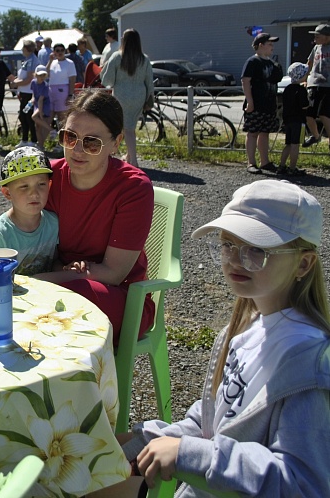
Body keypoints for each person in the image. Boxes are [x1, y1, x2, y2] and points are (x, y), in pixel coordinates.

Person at [92, 179, 330, 498]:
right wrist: (145, 439)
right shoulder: (243, 327)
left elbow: (302, 484)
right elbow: (211, 422)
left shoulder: (307, 362)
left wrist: (187, 455)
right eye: (228, 244)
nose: (234, 259)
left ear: (303, 263)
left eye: (256, 249)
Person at [34, 89, 155, 344]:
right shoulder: (47, 178)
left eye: (91, 142)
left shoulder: (133, 188)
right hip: (59, 281)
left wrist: (34, 283)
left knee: (69, 297)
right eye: (69, 137)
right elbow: (24, 235)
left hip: (120, 296)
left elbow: (113, 273)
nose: (77, 149)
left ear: (116, 142)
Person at [0, 146, 59, 276]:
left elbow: (55, 261)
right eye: (24, 186)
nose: (34, 194)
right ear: (7, 193)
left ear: (49, 185)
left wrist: (67, 268)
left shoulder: (53, 223)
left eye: (41, 184)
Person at [100, 28, 154, 169]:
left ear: (125, 40)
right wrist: (149, 98)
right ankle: (129, 156)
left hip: (121, 95)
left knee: (126, 128)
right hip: (139, 96)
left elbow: (107, 80)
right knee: (130, 127)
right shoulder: (144, 59)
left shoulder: (117, 57)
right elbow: (149, 82)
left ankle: (134, 161)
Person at [241, 32, 282, 174]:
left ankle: (265, 162)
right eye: (269, 44)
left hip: (269, 104)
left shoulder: (272, 63)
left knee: (265, 133)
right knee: (253, 132)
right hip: (256, 103)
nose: (272, 47)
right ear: (260, 45)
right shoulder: (253, 61)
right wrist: (250, 102)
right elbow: (245, 81)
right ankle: (251, 163)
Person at [277, 62, 310, 176]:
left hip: (288, 120)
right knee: (295, 144)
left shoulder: (287, 89)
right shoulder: (301, 90)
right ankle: (292, 168)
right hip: (299, 120)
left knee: (288, 144)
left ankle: (281, 166)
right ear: (301, 76)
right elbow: (304, 105)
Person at [302, 23, 330, 149]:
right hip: (314, 83)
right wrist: (304, 79)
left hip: (328, 86)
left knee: (324, 114)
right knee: (309, 113)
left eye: (318, 36)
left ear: (327, 37)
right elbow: (309, 62)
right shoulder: (316, 48)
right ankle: (315, 136)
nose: (315, 39)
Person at [46, 43, 77, 147]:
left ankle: (63, 143)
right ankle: (52, 137)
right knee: (49, 116)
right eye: (57, 50)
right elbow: (46, 74)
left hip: (63, 90)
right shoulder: (52, 62)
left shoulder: (69, 63)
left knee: (62, 118)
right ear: (54, 52)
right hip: (51, 91)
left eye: (61, 50)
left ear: (65, 51)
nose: (59, 53)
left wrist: (70, 94)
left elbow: (72, 79)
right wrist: (50, 61)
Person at [12, 40, 39, 147]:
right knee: (23, 116)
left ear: (27, 49)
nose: (22, 50)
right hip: (24, 92)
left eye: (23, 47)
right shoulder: (27, 60)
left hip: (29, 93)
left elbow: (29, 79)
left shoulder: (32, 60)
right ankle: (24, 140)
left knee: (28, 117)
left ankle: (33, 140)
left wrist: (15, 83)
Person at [30, 65, 52, 150]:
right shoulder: (33, 82)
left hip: (44, 104)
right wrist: (32, 99)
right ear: (35, 75)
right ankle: (41, 146)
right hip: (36, 103)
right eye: (40, 75)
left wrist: (41, 114)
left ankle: (51, 130)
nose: (42, 77)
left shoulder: (45, 85)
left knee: (34, 117)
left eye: (43, 75)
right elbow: (33, 94)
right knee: (38, 127)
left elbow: (41, 100)